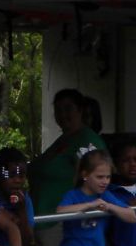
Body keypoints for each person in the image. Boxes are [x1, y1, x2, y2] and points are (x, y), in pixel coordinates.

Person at [54, 150, 136, 246]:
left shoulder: (105, 196)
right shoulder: (73, 195)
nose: (105, 182)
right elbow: (60, 211)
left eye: (108, 177)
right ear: (85, 175)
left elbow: (132, 216)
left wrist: (109, 207)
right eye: (99, 177)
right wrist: (89, 205)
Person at [30, 89, 109, 218]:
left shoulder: (87, 141)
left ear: (80, 110)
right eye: (58, 110)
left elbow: (96, 182)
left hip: (62, 220)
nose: (62, 114)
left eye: (68, 109)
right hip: (40, 219)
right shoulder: (63, 139)